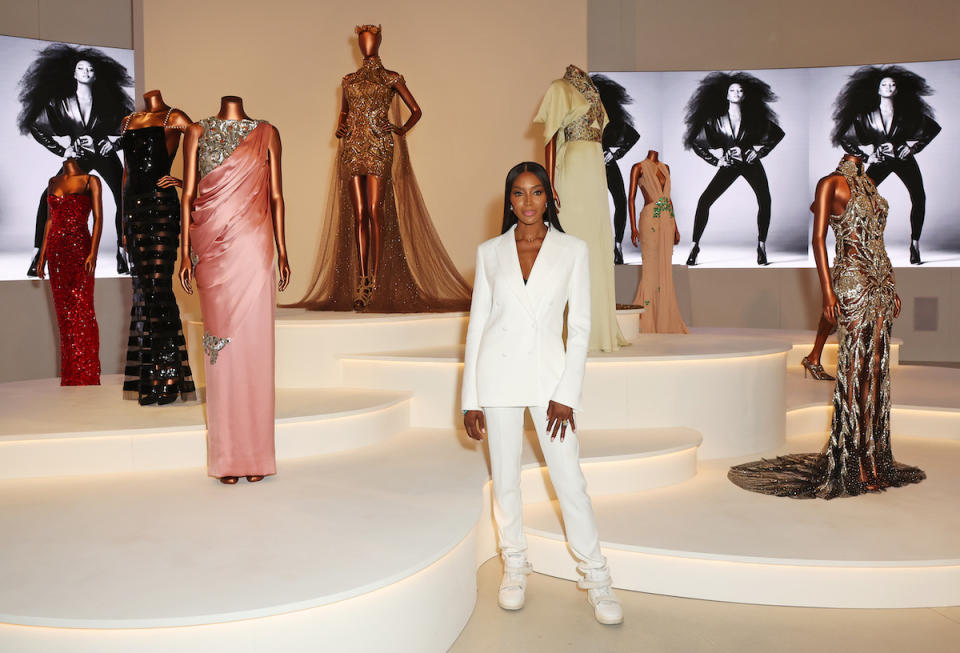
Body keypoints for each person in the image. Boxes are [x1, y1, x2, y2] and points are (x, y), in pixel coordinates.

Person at [461, 162, 622, 624]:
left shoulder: (572, 249)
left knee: (570, 480)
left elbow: (582, 324)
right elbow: (477, 327)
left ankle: (596, 576)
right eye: (518, 193)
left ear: (548, 197)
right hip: (498, 377)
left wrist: (567, 392)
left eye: (535, 193)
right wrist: (471, 396)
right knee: (506, 481)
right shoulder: (490, 252)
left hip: (552, 383)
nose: (527, 202)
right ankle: (514, 565)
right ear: (508, 200)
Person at [728, 155, 925, 499]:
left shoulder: (869, 183)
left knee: (877, 372)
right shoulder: (829, 183)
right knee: (854, 370)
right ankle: (853, 464)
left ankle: (874, 460)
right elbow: (819, 240)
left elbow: (877, 241)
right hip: (851, 281)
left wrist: (892, 283)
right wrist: (827, 292)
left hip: (880, 282)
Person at [292, 24, 471, 312]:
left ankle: (373, 283)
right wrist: (340, 126)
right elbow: (344, 111)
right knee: (358, 213)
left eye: (370, 40)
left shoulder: (391, 77)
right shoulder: (348, 80)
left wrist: (399, 130)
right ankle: (362, 281)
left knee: (375, 210)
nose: (366, 45)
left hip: (379, 148)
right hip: (352, 148)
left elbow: (417, 110)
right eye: (362, 41)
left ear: (378, 42)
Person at [179, 96, 291, 484]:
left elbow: (276, 196)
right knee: (221, 356)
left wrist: (283, 249)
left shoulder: (267, 133)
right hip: (211, 250)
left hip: (255, 249)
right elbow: (188, 196)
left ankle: (257, 455)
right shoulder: (195, 131)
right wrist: (183, 253)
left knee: (256, 350)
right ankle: (227, 457)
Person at [17, 44, 134, 276]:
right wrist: (63, 151)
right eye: (81, 69)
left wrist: (114, 144)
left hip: (104, 155)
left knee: (124, 195)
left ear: (96, 74)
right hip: (78, 159)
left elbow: (131, 127)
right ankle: (38, 253)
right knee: (49, 198)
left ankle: (124, 252)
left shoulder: (108, 101)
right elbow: (36, 125)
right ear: (73, 73)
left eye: (90, 70)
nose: (86, 73)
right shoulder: (60, 102)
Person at [536, 65, 628, 352]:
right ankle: (566, 331)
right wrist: (549, 184)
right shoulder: (559, 88)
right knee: (573, 242)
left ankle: (598, 328)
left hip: (594, 173)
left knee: (597, 244)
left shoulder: (594, 93)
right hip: (574, 172)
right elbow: (550, 137)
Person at [117, 90, 197, 405]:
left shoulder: (175, 117)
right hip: (134, 212)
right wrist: (122, 224)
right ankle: (154, 375)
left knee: (158, 287)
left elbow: (202, 151)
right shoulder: (127, 122)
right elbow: (125, 174)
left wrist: (182, 183)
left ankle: (170, 373)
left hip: (162, 208)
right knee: (143, 292)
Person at [833, 65, 941, 265]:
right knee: (859, 200)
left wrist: (913, 148)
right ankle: (862, 247)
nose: (889, 87)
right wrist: (866, 157)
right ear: (878, 89)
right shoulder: (866, 116)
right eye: (885, 84)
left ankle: (915, 244)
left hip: (904, 161)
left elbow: (932, 128)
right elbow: (844, 138)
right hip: (881, 162)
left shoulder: (907, 113)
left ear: (897, 90)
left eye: (893, 85)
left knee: (919, 196)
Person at [683, 72, 784, 266]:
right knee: (704, 201)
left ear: (744, 96)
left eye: (740, 90)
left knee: (765, 199)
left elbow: (777, 134)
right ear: (726, 95)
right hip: (729, 165)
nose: (736, 93)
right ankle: (694, 246)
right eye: (732, 90)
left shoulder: (754, 118)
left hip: (751, 164)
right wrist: (716, 161)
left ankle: (761, 246)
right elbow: (696, 143)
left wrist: (761, 152)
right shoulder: (715, 121)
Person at [36, 159, 102, 385]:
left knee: (83, 311)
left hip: (80, 251)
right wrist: (42, 254)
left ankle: (87, 373)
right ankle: (70, 374)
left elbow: (98, 218)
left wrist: (93, 252)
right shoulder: (53, 181)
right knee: (64, 316)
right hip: (56, 254)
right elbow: (49, 221)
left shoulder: (90, 181)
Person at [628, 150, 688, 334]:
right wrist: (633, 228)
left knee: (664, 270)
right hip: (650, 218)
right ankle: (646, 320)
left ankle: (664, 318)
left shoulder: (665, 168)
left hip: (666, 219)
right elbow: (630, 198)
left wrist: (676, 226)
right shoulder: (638, 167)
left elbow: (668, 200)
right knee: (650, 269)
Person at [591, 74, 640, 264]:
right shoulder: (579, 114)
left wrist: (615, 153)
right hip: (587, 166)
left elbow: (633, 136)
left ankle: (617, 246)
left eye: (597, 92)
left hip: (607, 163)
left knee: (620, 201)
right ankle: (595, 246)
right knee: (592, 204)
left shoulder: (611, 114)